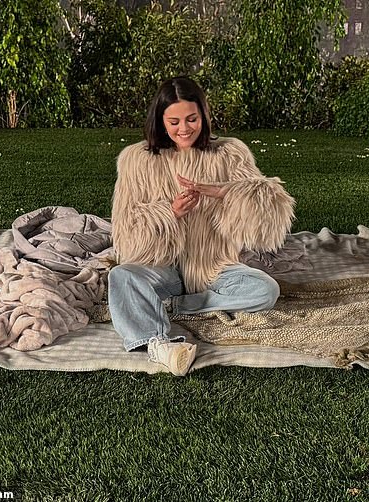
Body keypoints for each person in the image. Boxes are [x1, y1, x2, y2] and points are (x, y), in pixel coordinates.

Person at [108, 76, 296, 376]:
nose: (184, 129)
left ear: (204, 116)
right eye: (174, 121)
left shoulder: (230, 152)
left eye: (192, 119)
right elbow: (126, 228)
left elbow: (268, 209)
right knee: (121, 276)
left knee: (265, 290)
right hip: (160, 263)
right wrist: (170, 212)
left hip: (213, 265)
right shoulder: (136, 159)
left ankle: (178, 306)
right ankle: (158, 344)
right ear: (160, 120)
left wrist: (223, 192)